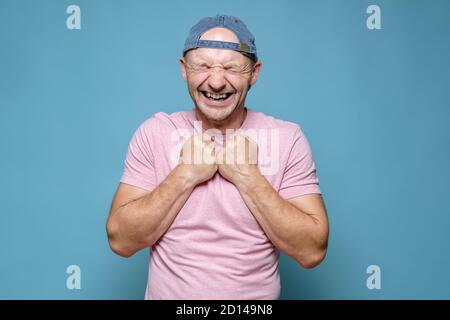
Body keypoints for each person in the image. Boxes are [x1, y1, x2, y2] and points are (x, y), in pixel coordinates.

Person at [106, 14, 329, 300]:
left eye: (232, 68)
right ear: (184, 69)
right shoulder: (155, 133)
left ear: (254, 73)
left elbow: (312, 250)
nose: (215, 81)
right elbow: (120, 240)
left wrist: (247, 176)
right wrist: (185, 174)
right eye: (202, 66)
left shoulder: (287, 138)